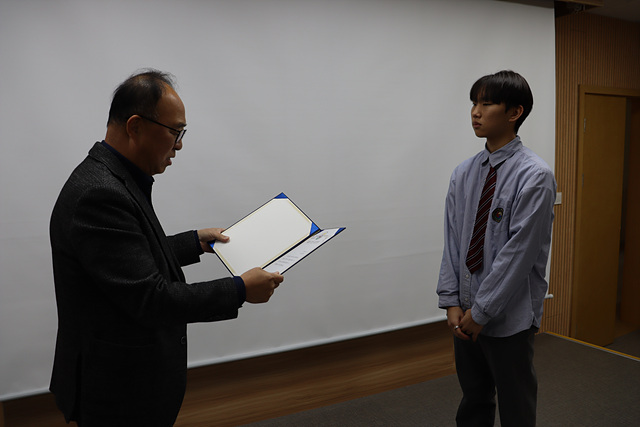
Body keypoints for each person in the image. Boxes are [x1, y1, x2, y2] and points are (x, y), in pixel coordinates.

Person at [49, 69, 284, 426]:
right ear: (135, 126)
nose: (179, 145)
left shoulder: (111, 176)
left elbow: (129, 259)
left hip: (124, 382)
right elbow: (150, 297)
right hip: (116, 392)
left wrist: (194, 243)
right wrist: (239, 290)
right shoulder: (100, 194)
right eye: (175, 132)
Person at [436, 70, 556, 427]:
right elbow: (453, 240)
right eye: (474, 103)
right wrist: (452, 301)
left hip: (508, 317)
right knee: (474, 400)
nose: (476, 111)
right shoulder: (463, 173)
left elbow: (519, 255)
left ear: (514, 112)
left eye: (486, 103)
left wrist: (482, 311)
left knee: (516, 405)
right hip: (465, 313)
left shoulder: (534, 175)